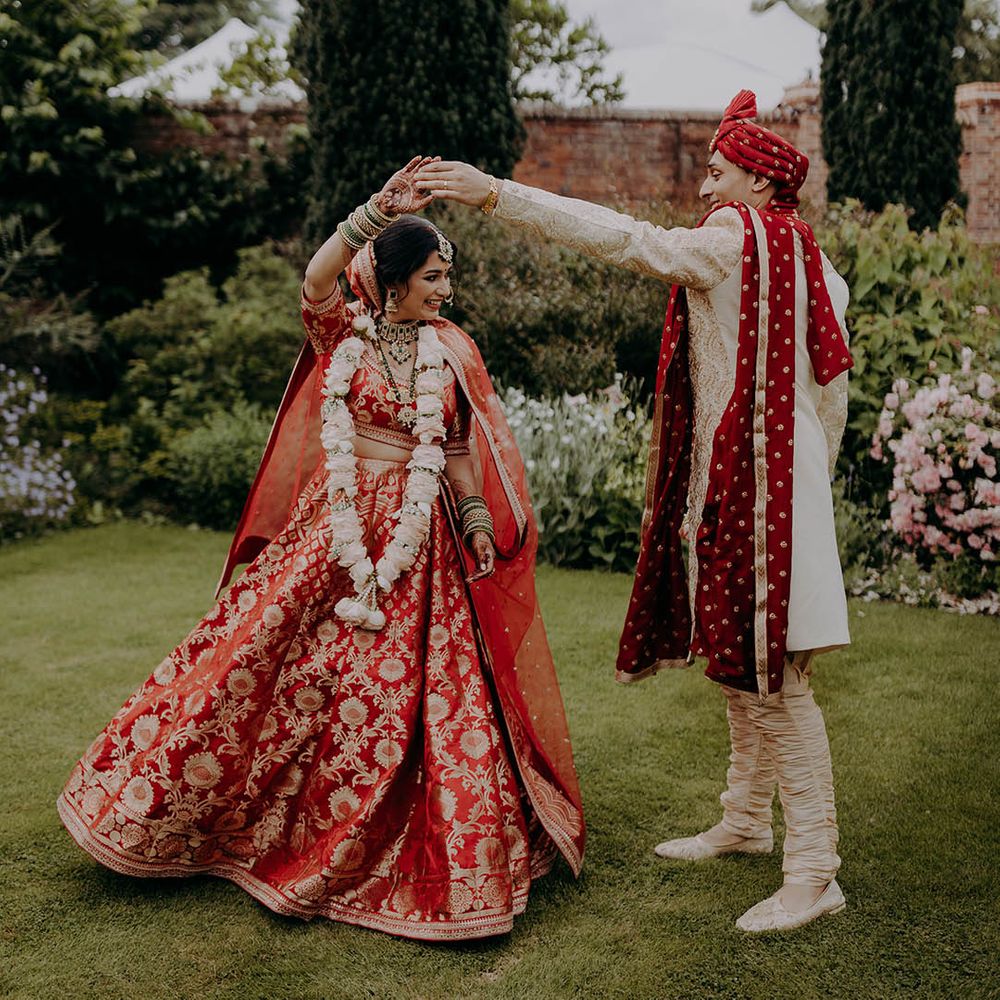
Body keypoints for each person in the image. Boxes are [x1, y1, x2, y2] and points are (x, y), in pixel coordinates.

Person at [57, 157, 584, 942]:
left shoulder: (454, 350)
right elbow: (316, 276)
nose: (446, 291)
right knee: (261, 663)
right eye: (434, 277)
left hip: (421, 539)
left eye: (448, 278)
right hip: (333, 532)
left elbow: (463, 446)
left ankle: (408, 840)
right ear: (396, 280)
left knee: (413, 694)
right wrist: (376, 208)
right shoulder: (347, 335)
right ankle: (203, 817)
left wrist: (473, 516)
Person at [418, 90, 853, 933]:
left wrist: (496, 193)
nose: (703, 188)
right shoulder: (813, 259)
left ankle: (815, 870)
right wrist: (807, 480)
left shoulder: (733, 244)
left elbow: (626, 240)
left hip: (762, 488)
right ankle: (745, 818)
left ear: (761, 185)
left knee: (777, 681)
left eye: (718, 171)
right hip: (776, 479)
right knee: (743, 658)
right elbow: (832, 391)